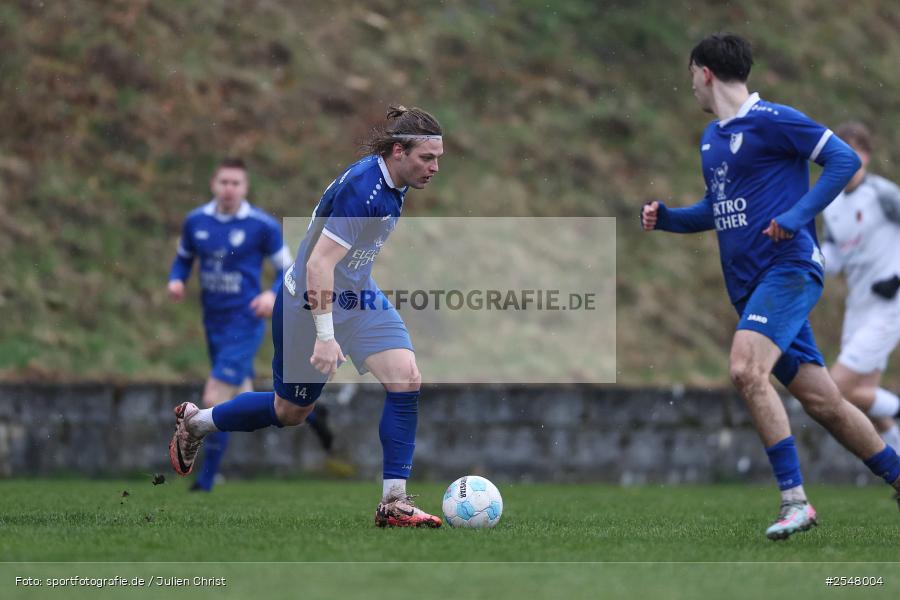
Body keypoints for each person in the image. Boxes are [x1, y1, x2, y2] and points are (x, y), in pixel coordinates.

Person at [641, 33, 900, 540]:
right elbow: (721, 210)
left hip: (789, 269)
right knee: (826, 403)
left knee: (744, 368)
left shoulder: (775, 120)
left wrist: (799, 214)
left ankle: (795, 502)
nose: (690, 84)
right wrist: (669, 218)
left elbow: (843, 159)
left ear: (705, 72)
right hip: (749, 288)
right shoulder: (712, 138)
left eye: (691, 74)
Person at [168, 106, 444, 527]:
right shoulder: (364, 189)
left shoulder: (398, 179)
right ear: (398, 151)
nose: (434, 167)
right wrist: (326, 335)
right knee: (291, 412)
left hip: (358, 296)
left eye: (438, 158)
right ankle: (197, 423)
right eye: (427, 158)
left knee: (406, 376)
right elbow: (318, 265)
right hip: (309, 304)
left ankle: (394, 503)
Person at [168, 157, 336, 491]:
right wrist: (177, 280)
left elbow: (289, 269)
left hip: (245, 321)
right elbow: (184, 257)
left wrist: (269, 295)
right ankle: (311, 411)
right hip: (213, 321)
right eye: (223, 182)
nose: (229, 189)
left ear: (245, 188)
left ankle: (204, 480)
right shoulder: (196, 221)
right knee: (245, 399)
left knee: (213, 394)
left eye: (236, 183)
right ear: (213, 185)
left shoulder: (261, 226)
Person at [822, 122, 900, 450]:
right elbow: (834, 258)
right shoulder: (830, 204)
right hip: (858, 308)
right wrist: (802, 261)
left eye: (852, 153)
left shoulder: (882, 194)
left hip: (890, 304)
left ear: (865, 157)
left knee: (834, 388)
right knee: (862, 400)